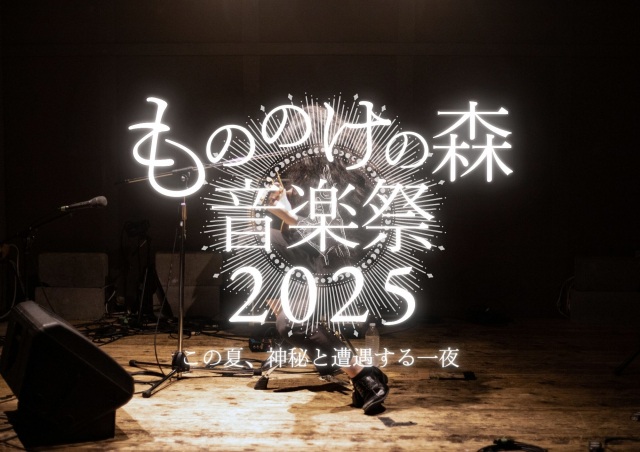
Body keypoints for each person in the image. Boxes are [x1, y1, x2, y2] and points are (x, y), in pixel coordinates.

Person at [262, 170, 390, 415]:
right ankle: (316, 343)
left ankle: (363, 376)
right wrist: (286, 205)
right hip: (312, 266)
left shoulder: (345, 179)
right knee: (257, 238)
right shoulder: (306, 177)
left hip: (341, 271)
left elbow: (336, 237)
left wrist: (289, 215)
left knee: (292, 323)